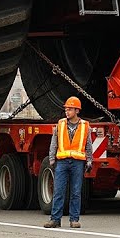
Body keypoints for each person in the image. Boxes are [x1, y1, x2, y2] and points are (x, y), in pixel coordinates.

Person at [44, 96, 93, 229]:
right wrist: (52, 159)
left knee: (76, 192)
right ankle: (55, 219)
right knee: (59, 191)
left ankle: (74, 219)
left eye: (70, 109)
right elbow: (54, 143)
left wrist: (89, 160)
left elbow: (88, 144)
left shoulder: (84, 126)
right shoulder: (60, 124)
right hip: (62, 162)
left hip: (78, 163)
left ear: (77, 111)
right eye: (66, 109)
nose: (67, 112)